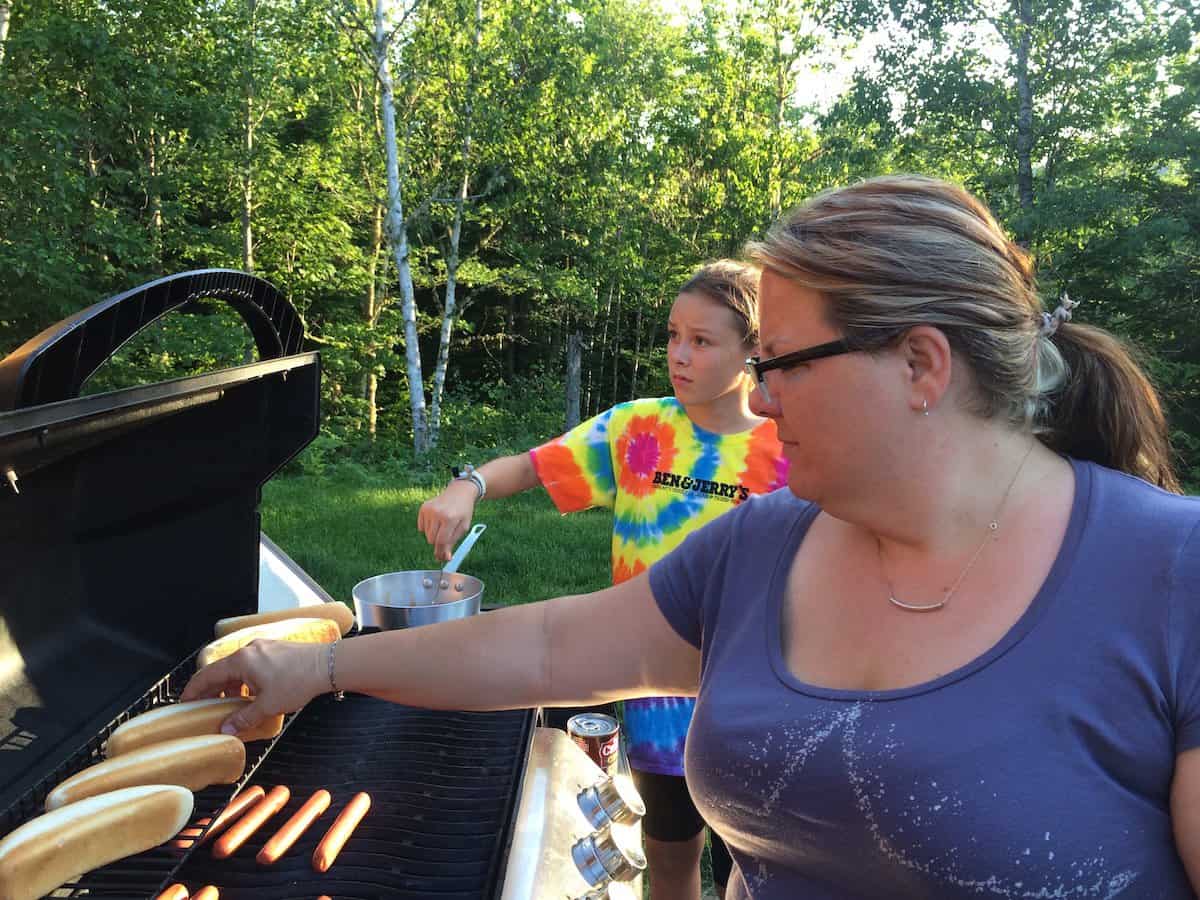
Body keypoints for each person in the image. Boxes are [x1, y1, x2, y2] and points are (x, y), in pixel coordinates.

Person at [183, 175, 1200, 898]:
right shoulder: (765, 543)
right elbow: (550, 646)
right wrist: (318, 671)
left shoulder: (1173, 575)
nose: (757, 393)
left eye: (784, 362)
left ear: (921, 366)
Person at [415, 259, 788, 900]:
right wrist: (468, 484)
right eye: (673, 335)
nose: (680, 354)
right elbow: (534, 466)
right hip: (652, 687)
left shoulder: (790, 448)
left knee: (753, 874)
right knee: (668, 853)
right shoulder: (637, 427)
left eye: (702, 341)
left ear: (753, 349)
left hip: (753, 692)